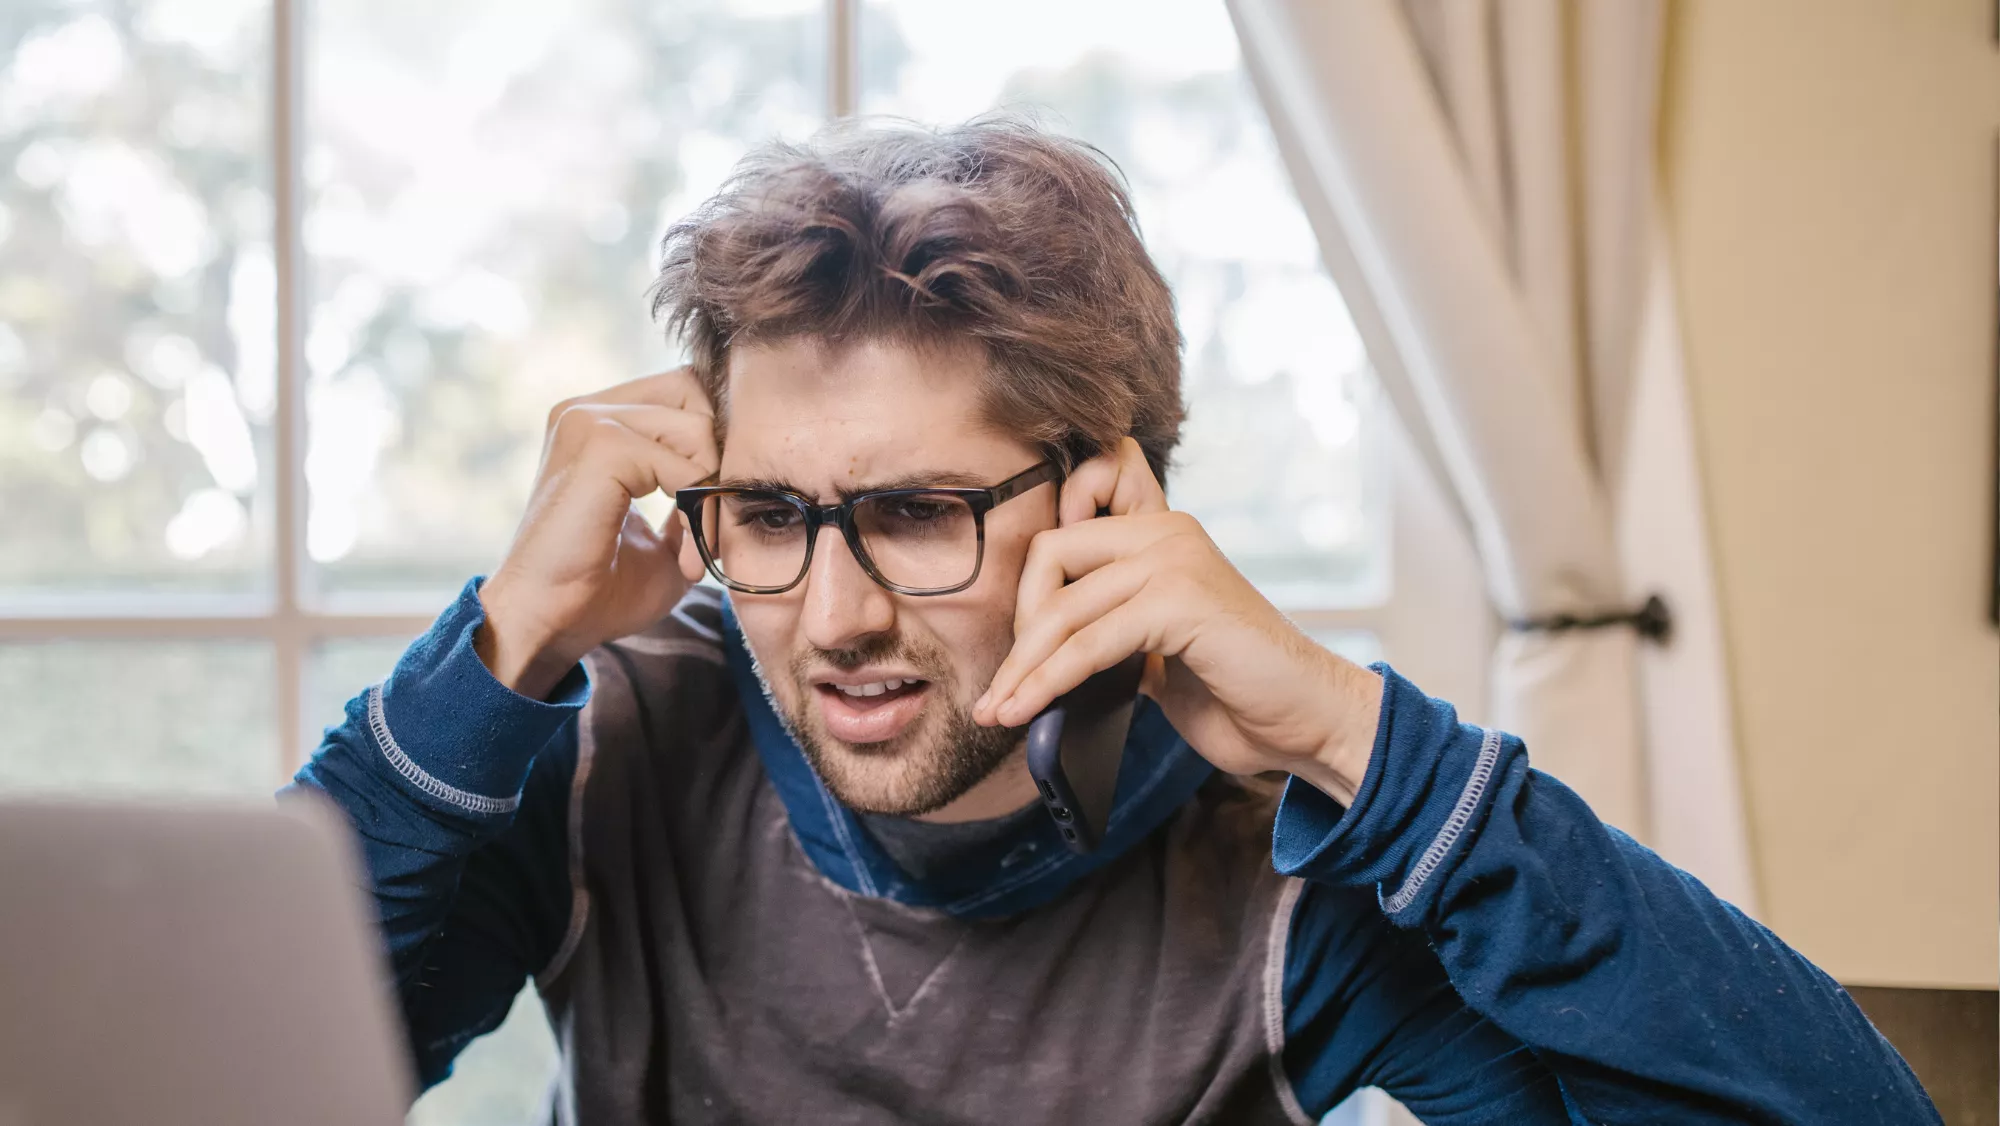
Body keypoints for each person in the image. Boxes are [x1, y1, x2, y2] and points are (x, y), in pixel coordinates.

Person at [289, 118, 1939, 1125]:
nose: (834, 618)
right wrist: (498, 651)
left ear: (1106, 501)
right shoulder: (605, 748)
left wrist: (1365, 743)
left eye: (919, 511)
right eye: (774, 516)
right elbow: (233, 1082)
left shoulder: (1279, 877)